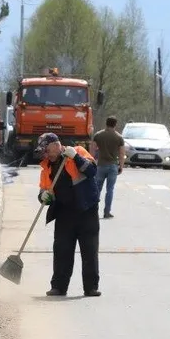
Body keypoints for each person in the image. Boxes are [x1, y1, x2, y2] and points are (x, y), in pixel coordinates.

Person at [37, 132, 102, 297]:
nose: (46, 154)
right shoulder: (47, 166)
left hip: (86, 210)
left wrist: (76, 158)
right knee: (62, 250)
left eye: (47, 150)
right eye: (43, 151)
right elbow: (43, 190)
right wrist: (43, 196)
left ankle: (91, 287)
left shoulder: (78, 151)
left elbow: (92, 171)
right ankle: (58, 286)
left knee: (89, 250)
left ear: (56, 145)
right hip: (64, 213)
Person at [90, 116, 125, 218]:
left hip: (100, 166)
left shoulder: (98, 135)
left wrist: (92, 162)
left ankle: (93, 211)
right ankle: (107, 212)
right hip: (113, 166)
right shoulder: (119, 137)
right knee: (110, 190)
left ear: (106, 123)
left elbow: (92, 150)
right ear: (115, 124)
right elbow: (122, 153)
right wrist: (121, 166)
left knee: (97, 189)